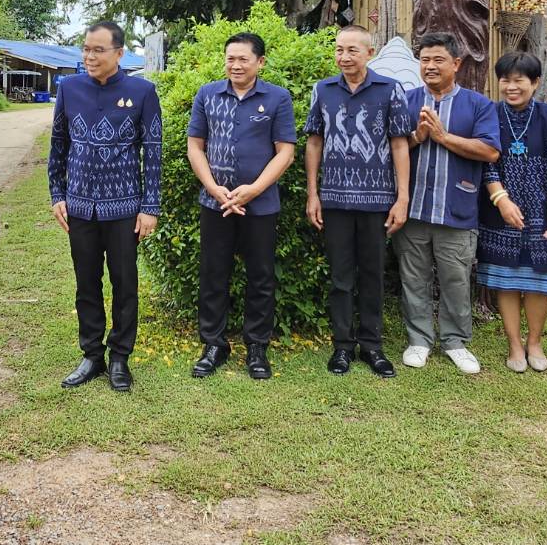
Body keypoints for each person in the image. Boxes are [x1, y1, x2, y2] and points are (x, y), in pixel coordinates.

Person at [49, 20, 162, 393]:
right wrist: (57, 195)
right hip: (80, 206)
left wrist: (150, 206)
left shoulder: (142, 92)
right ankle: (92, 355)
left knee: (125, 282)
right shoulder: (69, 89)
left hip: (125, 208)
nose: (89, 56)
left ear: (119, 53)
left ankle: (119, 358)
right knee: (86, 283)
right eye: (85, 49)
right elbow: (58, 146)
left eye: (98, 50)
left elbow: (153, 152)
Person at [303, 25, 411, 378]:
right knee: (340, 277)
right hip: (334, 199)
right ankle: (342, 346)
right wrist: (313, 193)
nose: (344, 57)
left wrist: (402, 198)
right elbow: (314, 142)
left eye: (352, 50)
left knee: (373, 275)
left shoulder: (389, 90)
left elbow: (399, 144)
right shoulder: (323, 90)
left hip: (377, 200)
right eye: (338, 50)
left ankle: (373, 346)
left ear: (369, 52)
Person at [187, 32, 296, 380]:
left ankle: (257, 347)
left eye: (243, 59)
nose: (235, 65)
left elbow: (286, 152)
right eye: (230, 58)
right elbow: (195, 146)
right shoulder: (207, 94)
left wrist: (253, 190)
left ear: (260, 62)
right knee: (213, 274)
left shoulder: (277, 98)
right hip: (214, 202)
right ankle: (214, 345)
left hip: (260, 205)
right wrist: (213, 188)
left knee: (261, 276)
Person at [397, 32, 502, 375]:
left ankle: (455, 342)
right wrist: (418, 137)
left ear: (456, 64)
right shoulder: (406, 100)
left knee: (456, 279)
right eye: (424, 60)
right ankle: (419, 340)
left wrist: (443, 137)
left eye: (438, 59)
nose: (430, 66)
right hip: (412, 209)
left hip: (457, 207)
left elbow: (489, 150)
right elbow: (391, 148)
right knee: (414, 277)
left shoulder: (477, 104)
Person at [477, 51, 547, 374]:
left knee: (539, 280)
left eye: (519, 80)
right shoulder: (490, 114)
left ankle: (534, 341)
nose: (511, 86)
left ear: (535, 83)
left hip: (542, 211)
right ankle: (514, 345)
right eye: (505, 80)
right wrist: (501, 200)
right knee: (506, 279)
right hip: (500, 209)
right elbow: (485, 163)